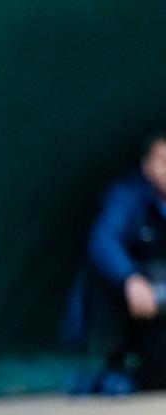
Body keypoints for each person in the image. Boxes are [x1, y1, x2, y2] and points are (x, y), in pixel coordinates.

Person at [85, 131, 166, 390]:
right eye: (163, 161)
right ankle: (113, 369)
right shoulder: (128, 196)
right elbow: (103, 241)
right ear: (147, 166)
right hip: (139, 313)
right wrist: (130, 278)